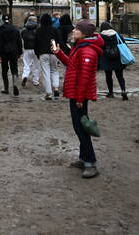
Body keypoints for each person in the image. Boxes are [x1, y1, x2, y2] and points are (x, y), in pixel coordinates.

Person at [54, 20, 105, 179]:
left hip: (78, 94)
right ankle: (84, 159)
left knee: (81, 128)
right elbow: (71, 65)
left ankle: (91, 163)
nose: (73, 31)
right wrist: (58, 53)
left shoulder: (87, 51)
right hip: (75, 93)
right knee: (79, 126)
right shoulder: (80, 47)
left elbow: (85, 76)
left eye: (76, 29)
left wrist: (80, 98)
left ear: (84, 33)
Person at [35, 13, 61, 100]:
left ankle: (49, 93)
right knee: (54, 70)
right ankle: (56, 87)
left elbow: (36, 43)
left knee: (46, 73)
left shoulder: (38, 30)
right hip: (54, 53)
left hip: (43, 53)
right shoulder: (55, 29)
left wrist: (37, 53)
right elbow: (59, 41)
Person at [98, 22, 127, 100]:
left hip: (106, 59)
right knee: (120, 76)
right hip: (117, 59)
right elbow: (124, 44)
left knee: (108, 76)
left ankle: (111, 92)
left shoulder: (100, 36)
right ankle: (123, 90)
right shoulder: (118, 35)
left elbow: (99, 47)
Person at [0, 16, 22, 96]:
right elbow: (19, 42)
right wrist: (20, 52)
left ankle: (6, 88)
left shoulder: (0, 29)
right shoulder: (15, 29)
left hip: (4, 52)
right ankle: (15, 85)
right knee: (14, 69)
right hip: (14, 51)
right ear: (10, 20)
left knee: (4, 70)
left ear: (3, 20)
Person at [20, 16, 40, 88]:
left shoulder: (24, 30)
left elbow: (22, 38)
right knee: (36, 66)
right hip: (36, 49)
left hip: (27, 49)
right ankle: (36, 81)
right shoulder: (37, 30)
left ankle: (25, 76)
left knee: (26, 64)